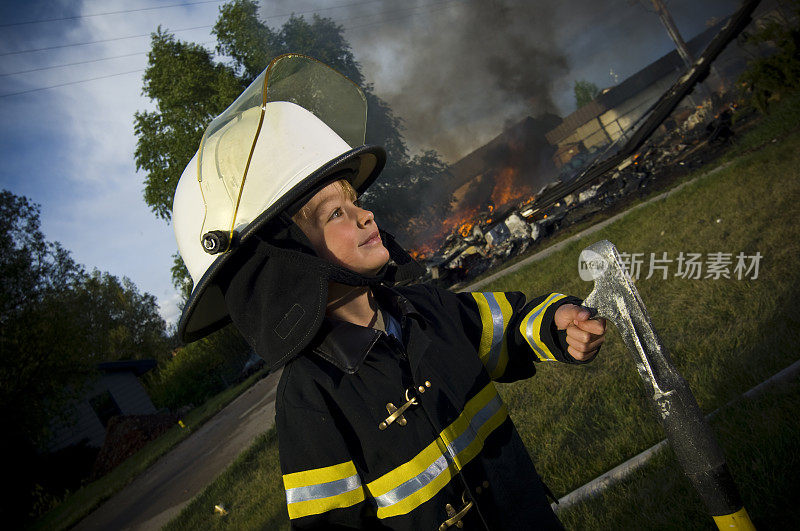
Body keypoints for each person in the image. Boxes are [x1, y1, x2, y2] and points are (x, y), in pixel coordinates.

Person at [172, 54, 606, 530]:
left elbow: (505, 328)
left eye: (355, 202)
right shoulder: (312, 395)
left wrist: (557, 322)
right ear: (284, 266)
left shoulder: (427, 311)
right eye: (335, 214)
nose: (366, 216)